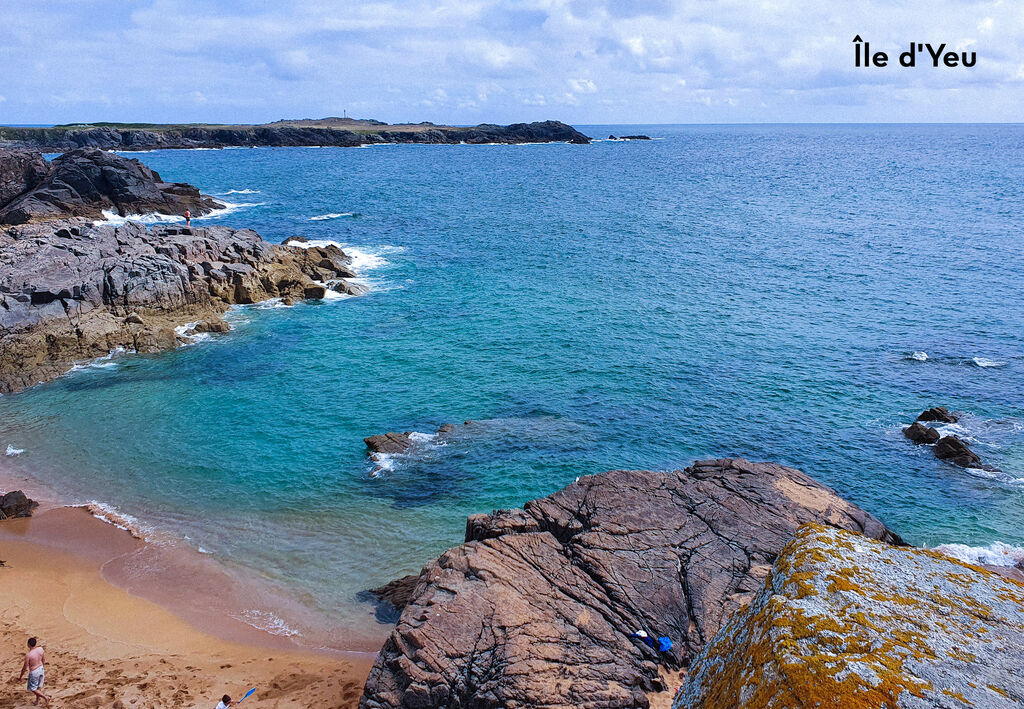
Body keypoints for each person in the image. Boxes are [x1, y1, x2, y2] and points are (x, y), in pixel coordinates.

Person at [18, 637, 49, 706]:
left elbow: (25, 668)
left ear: (28, 645)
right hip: (41, 668)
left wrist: (20, 676)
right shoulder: (40, 649)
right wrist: (42, 667)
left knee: (33, 688)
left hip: (34, 671)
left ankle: (45, 697)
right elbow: (43, 659)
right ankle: (37, 701)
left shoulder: (28, 655)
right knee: (38, 687)